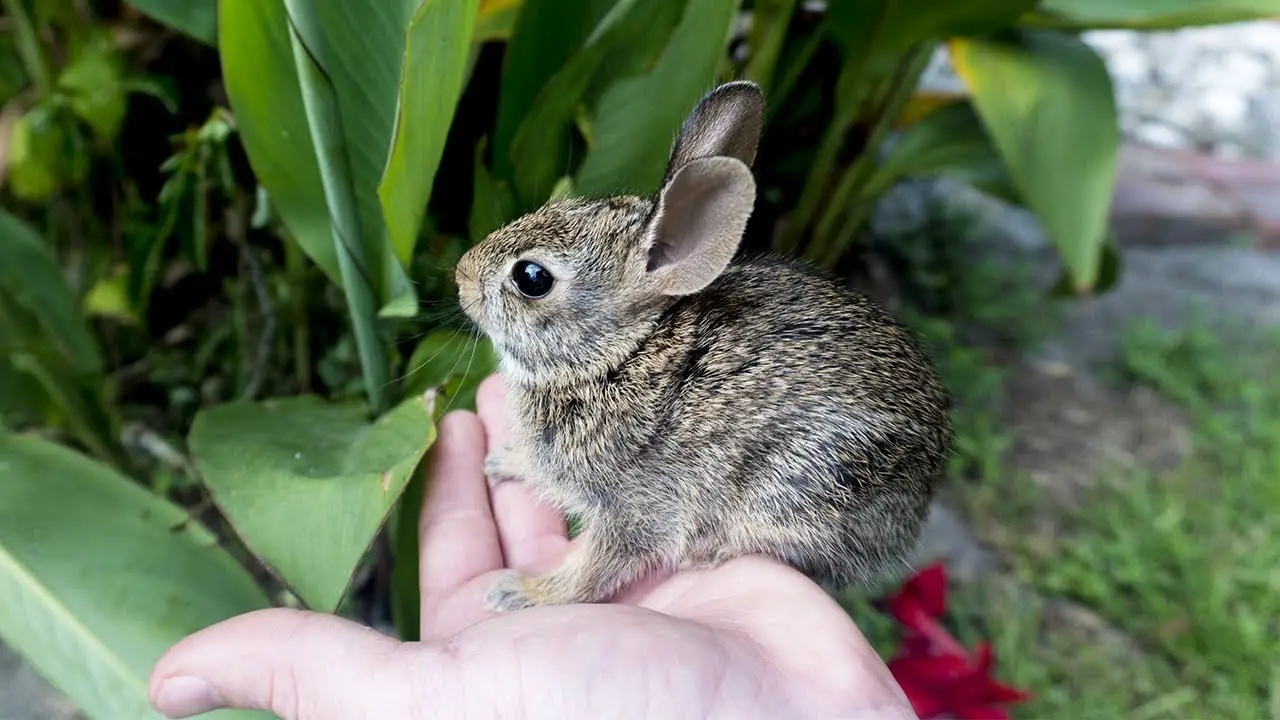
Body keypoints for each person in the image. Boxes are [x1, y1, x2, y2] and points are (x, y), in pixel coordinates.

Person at [148, 375, 916, 719]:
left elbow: (636, 522)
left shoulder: (619, 408)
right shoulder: (593, 396)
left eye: (533, 281)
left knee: (670, 506)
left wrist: (558, 589)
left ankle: (730, 531)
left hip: (812, 488)